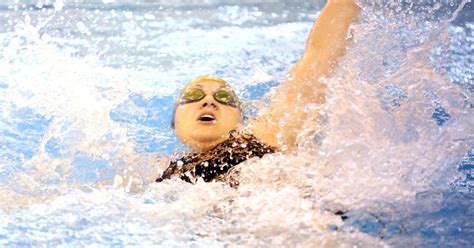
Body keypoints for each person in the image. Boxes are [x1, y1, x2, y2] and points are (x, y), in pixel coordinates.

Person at [156, 0, 360, 186]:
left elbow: (319, 58)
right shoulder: (159, 169)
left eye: (225, 98)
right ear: (174, 120)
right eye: (193, 96)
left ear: (240, 120)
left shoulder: (269, 133)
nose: (209, 101)